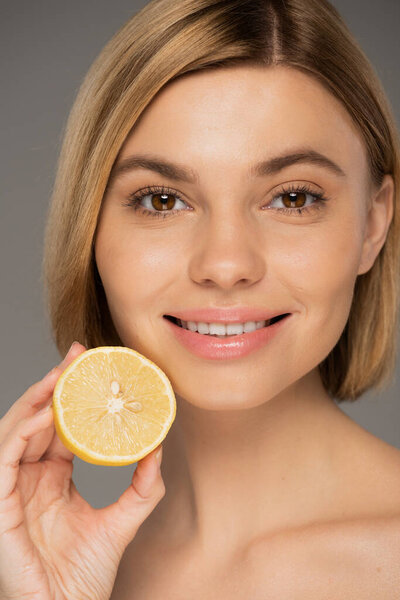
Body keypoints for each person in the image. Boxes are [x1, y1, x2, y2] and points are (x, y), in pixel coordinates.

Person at [1, 0, 400, 597]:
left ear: (373, 225)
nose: (226, 265)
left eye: (292, 198)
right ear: (90, 231)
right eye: (163, 201)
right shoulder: (64, 567)